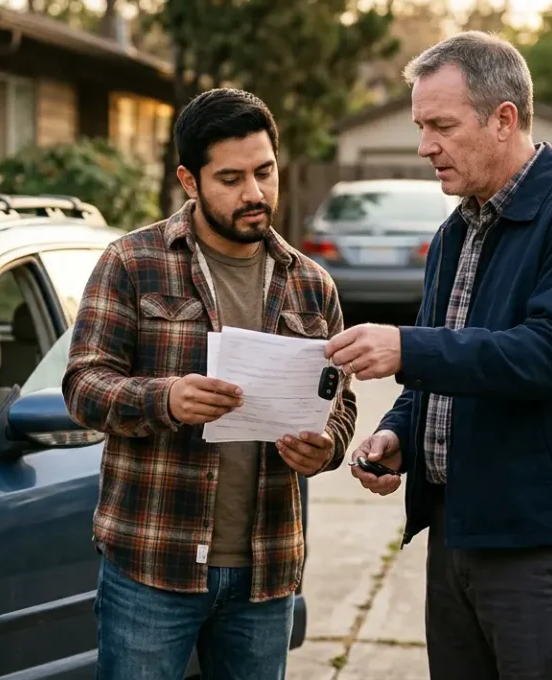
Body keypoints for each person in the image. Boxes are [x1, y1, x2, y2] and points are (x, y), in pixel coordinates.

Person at [325, 32, 552, 680]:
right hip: (457, 530)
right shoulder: (454, 232)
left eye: (440, 125)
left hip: (545, 543)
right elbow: (442, 370)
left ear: (504, 119)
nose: (424, 146)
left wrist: (404, 347)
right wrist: (398, 433)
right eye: (420, 126)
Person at [61, 88, 358, 680]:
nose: (254, 193)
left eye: (265, 172)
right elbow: (83, 386)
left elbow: (340, 401)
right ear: (189, 181)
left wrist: (328, 448)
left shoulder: (311, 285)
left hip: (266, 571)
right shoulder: (132, 262)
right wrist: (164, 398)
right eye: (231, 178)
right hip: (152, 562)